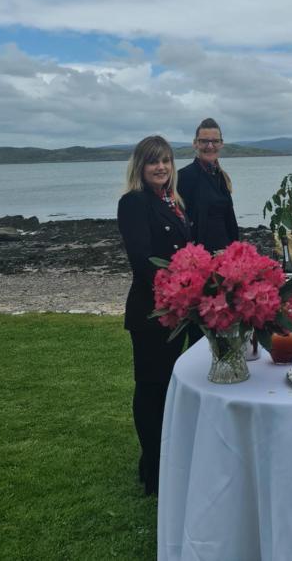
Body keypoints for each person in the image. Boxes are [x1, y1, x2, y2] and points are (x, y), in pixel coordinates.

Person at [117, 134, 200, 496]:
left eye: (166, 160)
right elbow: (143, 260)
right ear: (140, 166)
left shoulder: (174, 202)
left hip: (176, 311)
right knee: (150, 387)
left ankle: (164, 457)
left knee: (167, 386)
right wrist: (179, 291)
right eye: (153, 161)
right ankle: (152, 467)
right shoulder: (134, 202)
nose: (161, 167)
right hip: (151, 312)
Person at [177, 117, 239, 252]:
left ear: (221, 144)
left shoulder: (221, 176)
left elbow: (229, 220)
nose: (210, 146)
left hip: (226, 256)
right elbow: (179, 222)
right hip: (200, 258)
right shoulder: (183, 177)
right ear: (195, 143)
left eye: (215, 141)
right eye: (204, 141)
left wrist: (236, 251)